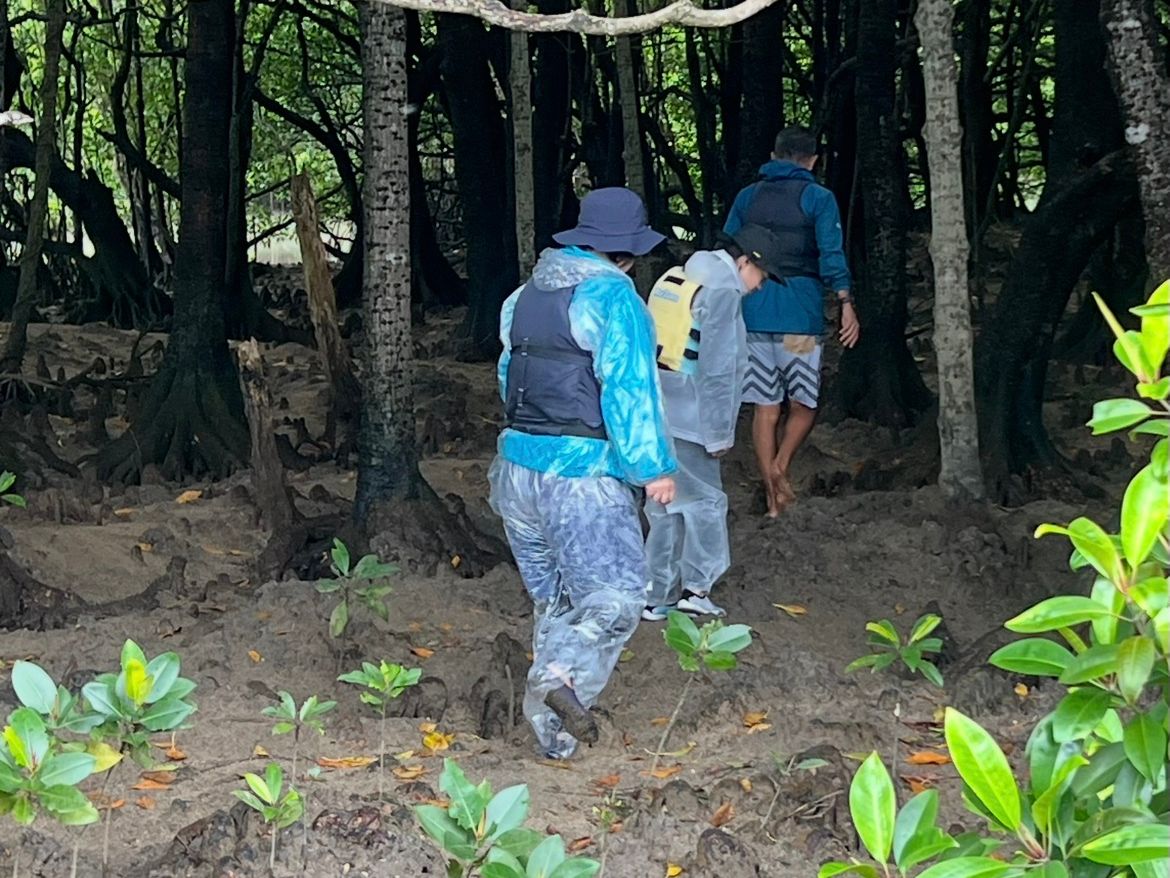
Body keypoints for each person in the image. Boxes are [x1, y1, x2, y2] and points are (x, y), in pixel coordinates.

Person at [488, 187, 678, 760]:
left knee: (556, 603)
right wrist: (652, 468)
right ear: (628, 252)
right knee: (615, 600)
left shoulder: (522, 297)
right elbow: (630, 389)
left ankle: (555, 741)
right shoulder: (614, 298)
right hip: (582, 480)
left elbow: (508, 377)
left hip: (516, 472)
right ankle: (555, 678)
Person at [642, 224, 787, 621]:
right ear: (744, 262)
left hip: (658, 408)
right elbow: (719, 369)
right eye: (762, 275)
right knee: (706, 501)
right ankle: (697, 589)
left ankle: (657, 594)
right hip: (693, 415)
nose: (760, 286)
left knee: (664, 504)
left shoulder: (679, 276)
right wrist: (720, 433)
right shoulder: (722, 292)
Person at [724, 126, 860, 516]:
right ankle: (780, 468)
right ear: (813, 161)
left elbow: (729, 248)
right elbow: (830, 253)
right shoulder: (818, 198)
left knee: (765, 407)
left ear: (773, 155)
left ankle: (773, 498)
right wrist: (845, 300)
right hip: (799, 320)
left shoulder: (747, 196)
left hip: (753, 315)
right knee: (803, 403)